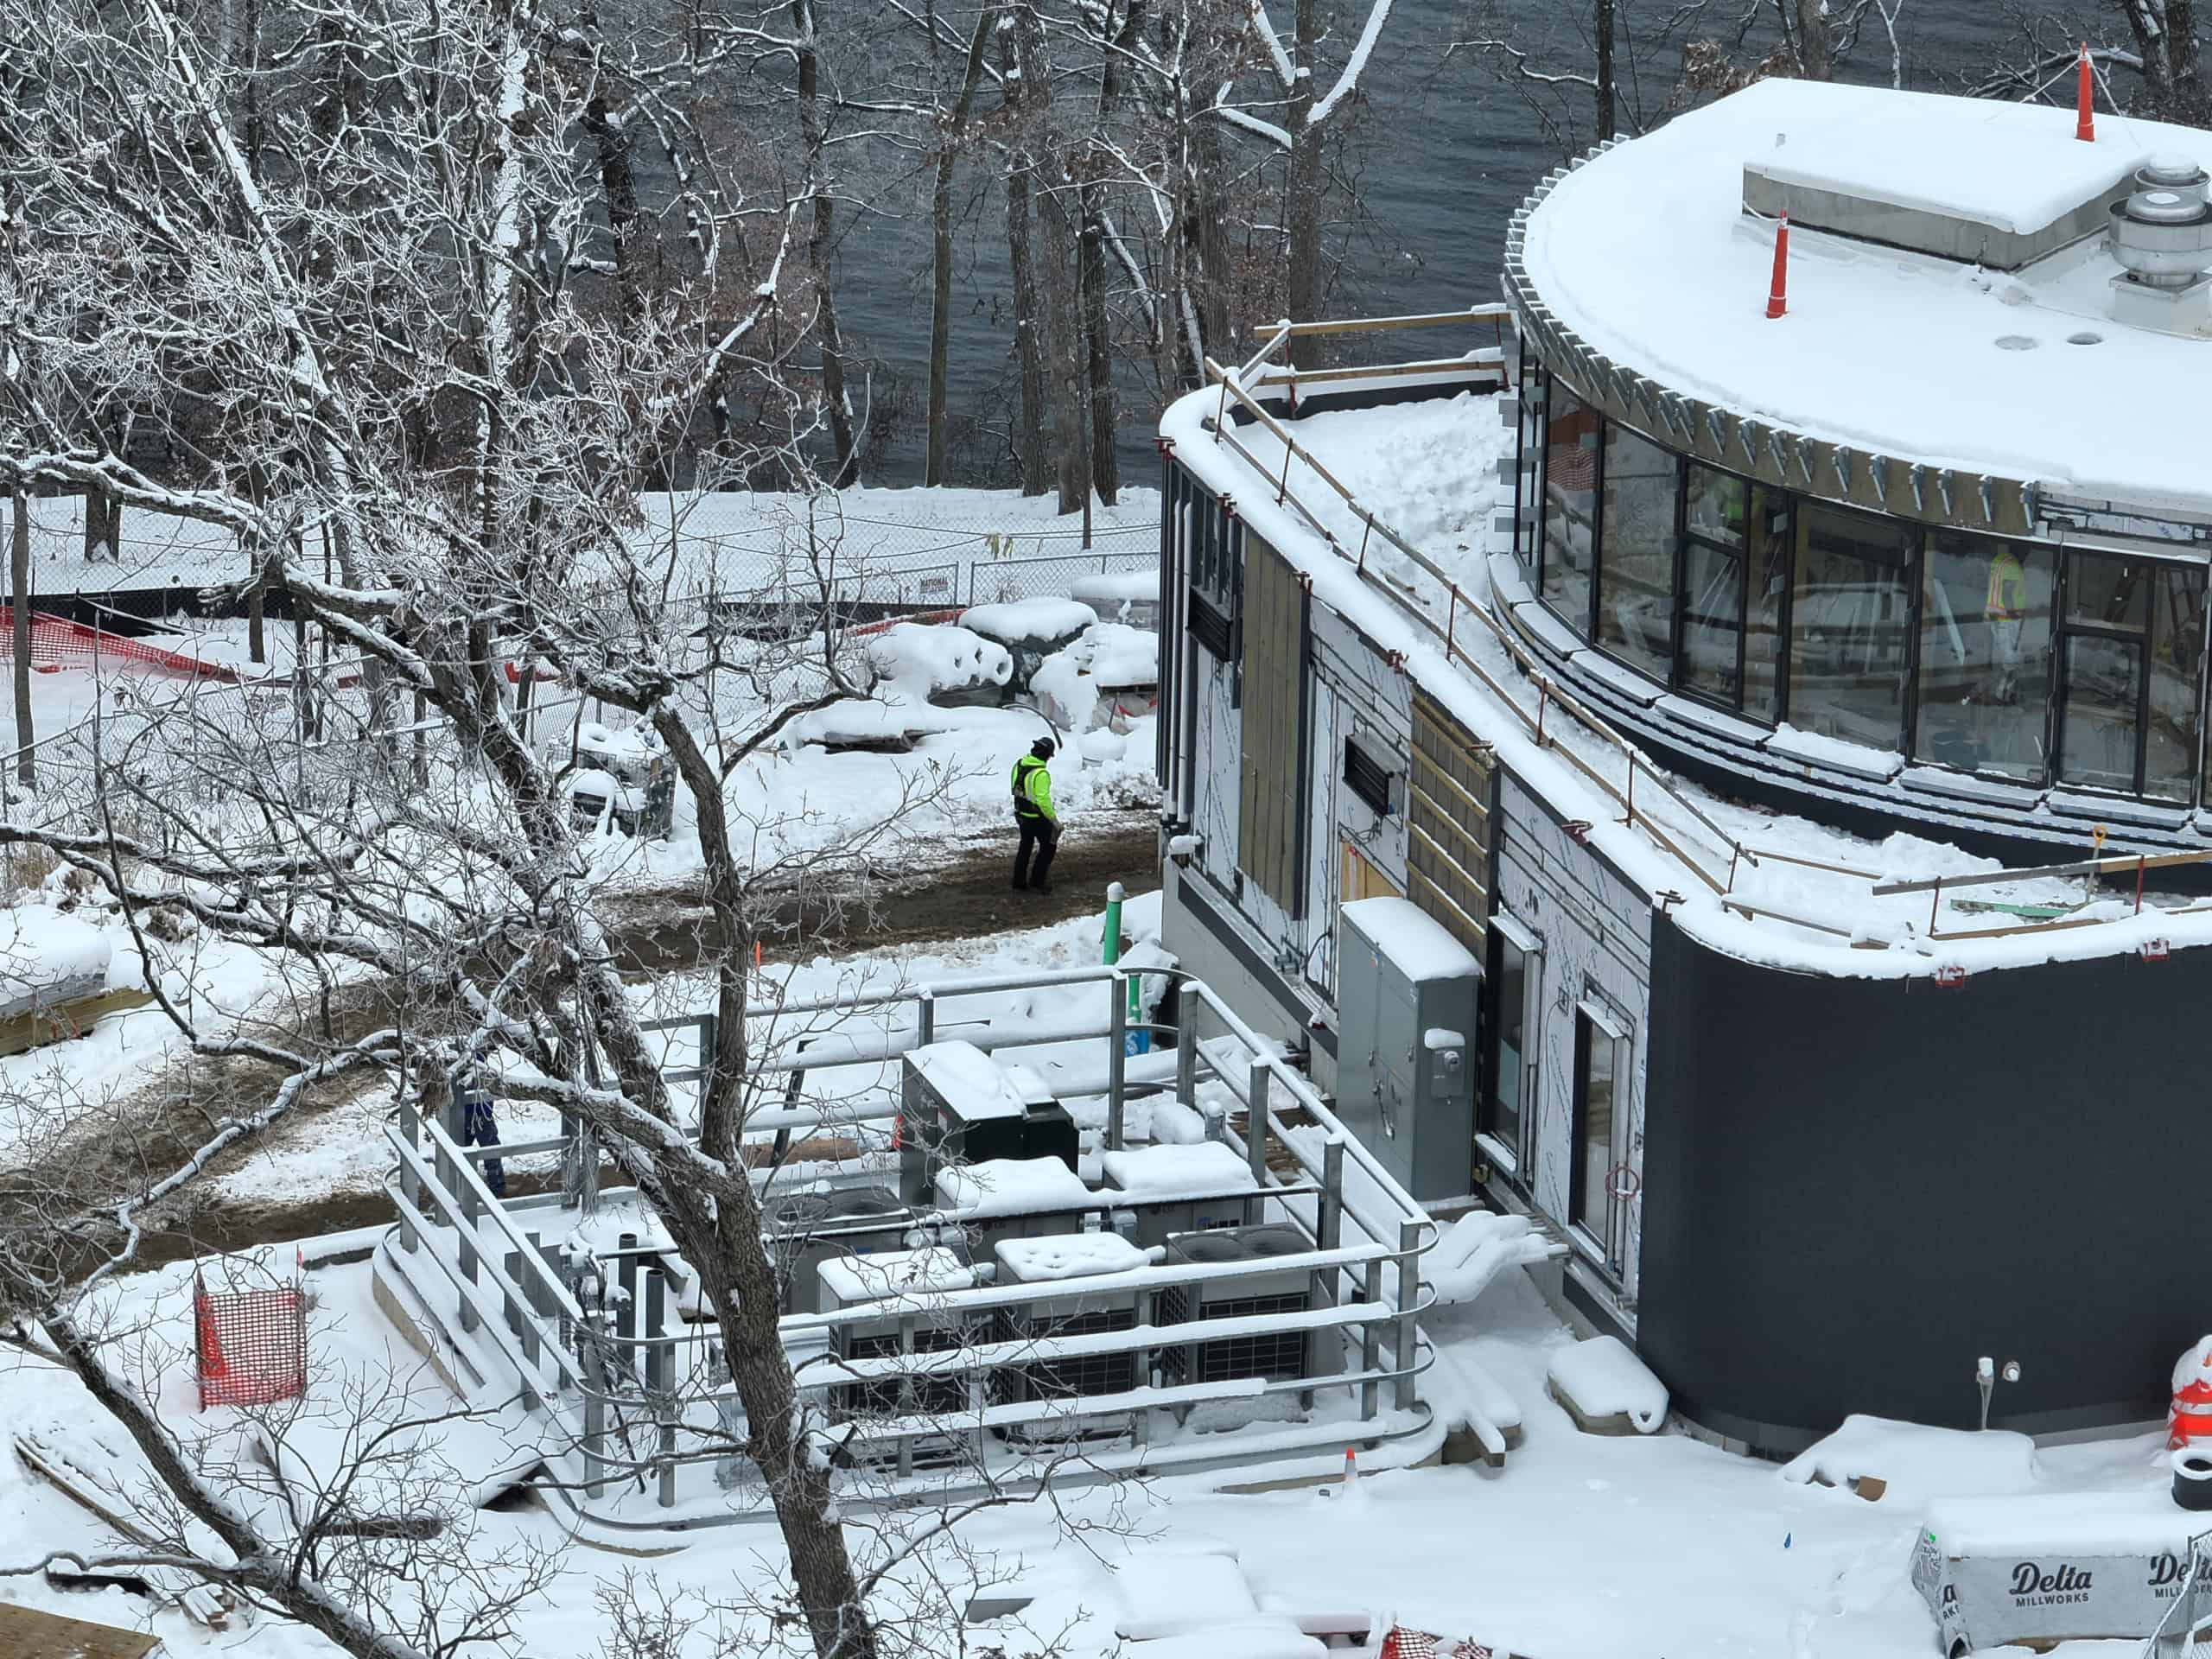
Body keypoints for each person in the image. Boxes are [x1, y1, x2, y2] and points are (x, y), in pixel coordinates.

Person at [1011, 736, 1059, 893]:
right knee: (1048, 847)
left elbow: (1014, 788)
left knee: (1025, 846)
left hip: (1021, 815)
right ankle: (1037, 881)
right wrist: (1054, 820)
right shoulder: (1041, 774)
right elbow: (1043, 801)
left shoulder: (1018, 765)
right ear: (1046, 755)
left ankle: (1018, 882)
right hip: (1037, 818)